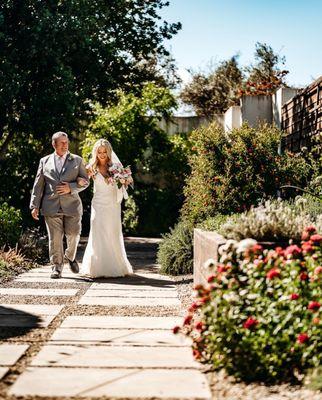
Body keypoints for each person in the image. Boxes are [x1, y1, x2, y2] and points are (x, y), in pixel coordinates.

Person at [30, 131, 89, 279]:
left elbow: (85, 181)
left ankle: (70, 256)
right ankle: (56, 267)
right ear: (53, 144)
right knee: (55, 238)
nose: (65, 145)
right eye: (61, 142)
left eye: (66, 142)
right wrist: (34, 205)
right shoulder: (44, 161)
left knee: (74, 235)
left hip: (72, 205)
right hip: (51, 205)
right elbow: (38, 185)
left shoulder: (77, 160)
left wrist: (72, 187)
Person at [80, 138, 133, 278]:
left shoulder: (115, 167)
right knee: (98, 231)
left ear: (109, 152)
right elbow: (82, 182)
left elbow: (126, 182)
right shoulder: (91, 167)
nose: (102, 154)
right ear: (96, 152)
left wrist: (125, 180)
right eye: (99, 151)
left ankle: (114, 266)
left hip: (113, 204)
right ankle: (96, 268)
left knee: (112, 232)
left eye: (105, 151)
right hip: (98, 203)